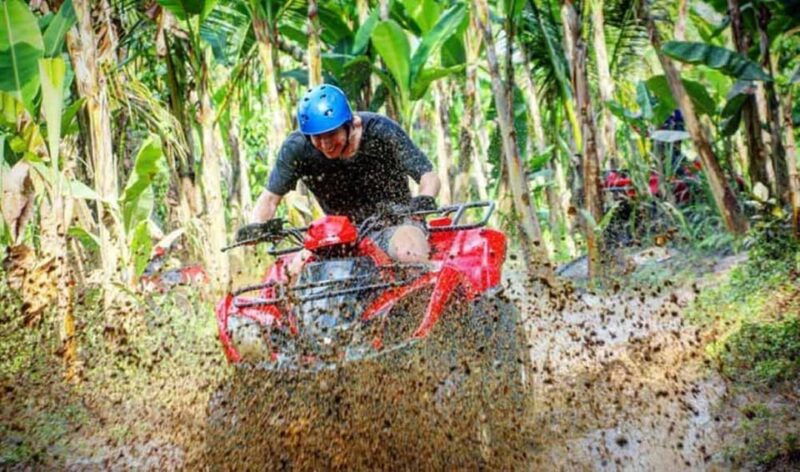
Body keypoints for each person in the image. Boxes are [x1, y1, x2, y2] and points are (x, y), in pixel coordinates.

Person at [250, 84, 441, 263]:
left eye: (332, 134)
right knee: (292, 270)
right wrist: (256, 228)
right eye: (317, 137)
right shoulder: (297, 148)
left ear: (352, 124)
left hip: (396, 224)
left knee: (408, 250)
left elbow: (429, 176)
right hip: (338, 236)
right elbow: (270, 199)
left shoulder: (381, 131)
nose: (326, 145)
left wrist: (424, 200)